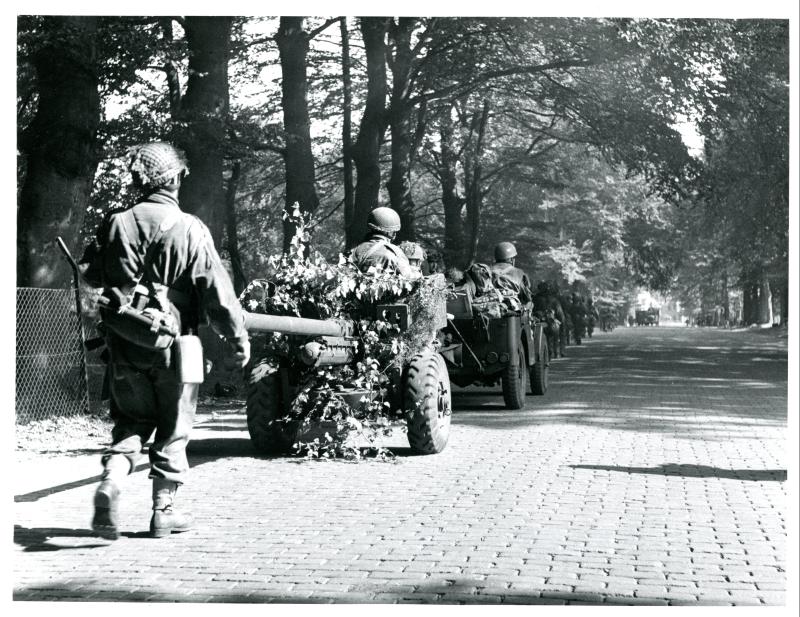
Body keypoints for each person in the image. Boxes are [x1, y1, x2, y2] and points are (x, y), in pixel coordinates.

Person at [80, 142, 250, 540]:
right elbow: (219, 296)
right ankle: (163, 513)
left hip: (124, 340)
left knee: (131, 422)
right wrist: (237, 338)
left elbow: (91, 274)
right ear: (173, 178)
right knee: (174, 429)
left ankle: (112, 479)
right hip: (175, 343)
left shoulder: (116, 222)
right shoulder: (191, 228)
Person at [350, 207, 413, 277]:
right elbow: (408, 277)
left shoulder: (354, 251)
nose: (395, 234)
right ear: (389, 232)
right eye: (394, 231)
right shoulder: (394, 253)